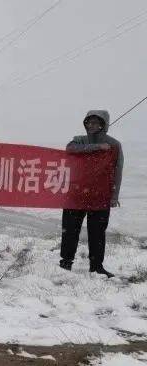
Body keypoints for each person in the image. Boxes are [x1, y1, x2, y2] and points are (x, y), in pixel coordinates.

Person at [59, 110, 124, 278]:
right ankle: (65, 263)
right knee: (70, 231)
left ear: (104, 125)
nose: (92, 126)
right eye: (89, 122)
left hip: (100, 196)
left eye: (96, 123)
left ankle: (96, 267)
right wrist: (96, 147)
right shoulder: (79, 140)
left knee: (97, 233)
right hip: (75, 194)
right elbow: (69, 149)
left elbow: (118, 170)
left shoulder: (114, 145)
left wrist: (114, 196)